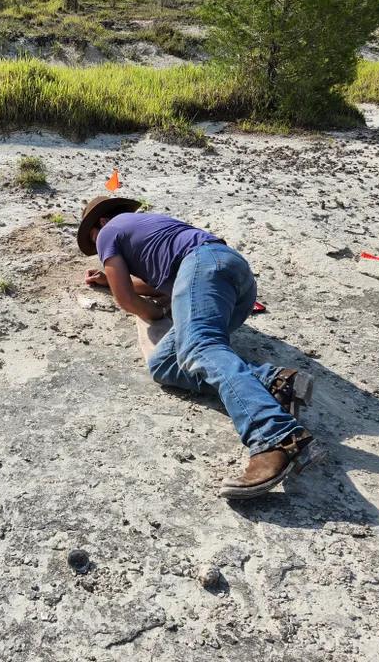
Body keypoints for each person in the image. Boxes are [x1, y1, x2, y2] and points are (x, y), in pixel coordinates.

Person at [77, 196, 326, 499]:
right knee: (164, 365)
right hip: (233, 279)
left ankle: (276, 435)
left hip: (203, 268)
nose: (100, 250)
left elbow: (127, 299)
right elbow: (159, 283)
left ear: (102, 222)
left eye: (95, 241)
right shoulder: (149, 228)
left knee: (199, 345)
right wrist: (110, 279)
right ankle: (276, 381)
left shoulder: (108, 231)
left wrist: (159, 312)